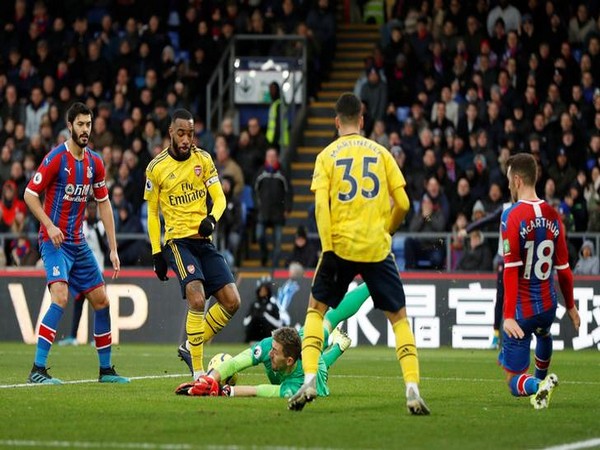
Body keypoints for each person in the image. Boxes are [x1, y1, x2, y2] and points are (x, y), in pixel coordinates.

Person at [288, 93, 429, 414]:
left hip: (339, 246)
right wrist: (388, 231)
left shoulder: (325, 156)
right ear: (362, 120)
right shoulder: (381, 153)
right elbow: (405, 204)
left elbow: (320, 207)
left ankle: (309, 378)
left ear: (337, 121)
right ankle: (411, 387)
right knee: (399, 318)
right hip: (376, 247)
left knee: (315, 311)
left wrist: (327, 245)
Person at [24, 102, 128, 384]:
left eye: (89, 124)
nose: (85, 130)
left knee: (102, 300)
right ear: (70, 126)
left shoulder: (95, 162)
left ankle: (105, 371)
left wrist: (113, 247)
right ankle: (38, 369)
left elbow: (104, 205)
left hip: (78, 244)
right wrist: (49, 224)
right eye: (80, 125)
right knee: (60, 296)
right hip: (54, 242)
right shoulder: (56, 158)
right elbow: (30, 194)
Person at [144, 108, 241, 381]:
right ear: (171, 134)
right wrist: (156, 253)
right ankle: (199, 371)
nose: (186, 139)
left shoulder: (204, 159)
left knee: (232, 302)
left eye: (190, 133)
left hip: (203, 241)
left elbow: (219, 199)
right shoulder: (156, 168)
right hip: (178, 242)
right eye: (181, 133)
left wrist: (212, 218)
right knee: (197, 298)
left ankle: (189, 346)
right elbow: (152, 214)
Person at [177, 283, 372, 398]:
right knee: (329, 318)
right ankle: (368, 286)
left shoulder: (298, 385)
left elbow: (260, 390)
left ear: (289, 360)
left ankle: (338, 346)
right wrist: (210, 378)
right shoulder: (271, 346)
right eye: (272, 348)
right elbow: (236, 362)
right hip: (304, 340)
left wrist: (227, 391)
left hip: (313, 366)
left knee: (321, 366)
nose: (270, 352)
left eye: (275, 352)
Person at [499, 153, 580, 409]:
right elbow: (565, 270)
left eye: (510, 180)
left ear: (519, 180)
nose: (508, 185)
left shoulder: (510, 216)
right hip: (548, 306)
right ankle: (542, 383)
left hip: (522, 310)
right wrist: (571, 306)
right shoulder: (554, 215)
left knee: (512, 379)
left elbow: (510, 270)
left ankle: (537, 386)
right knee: (544, 334)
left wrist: (509, 314)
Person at [243, 278, 283, 343]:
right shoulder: (254, 305)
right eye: (261, 290)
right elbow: (245, 322)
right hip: (254, 338)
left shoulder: (273, 305)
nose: (262, 292)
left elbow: (278, 324)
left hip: (268, 336)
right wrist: (254, 315)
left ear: (268, 291)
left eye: (264, 290)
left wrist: (265, 315)